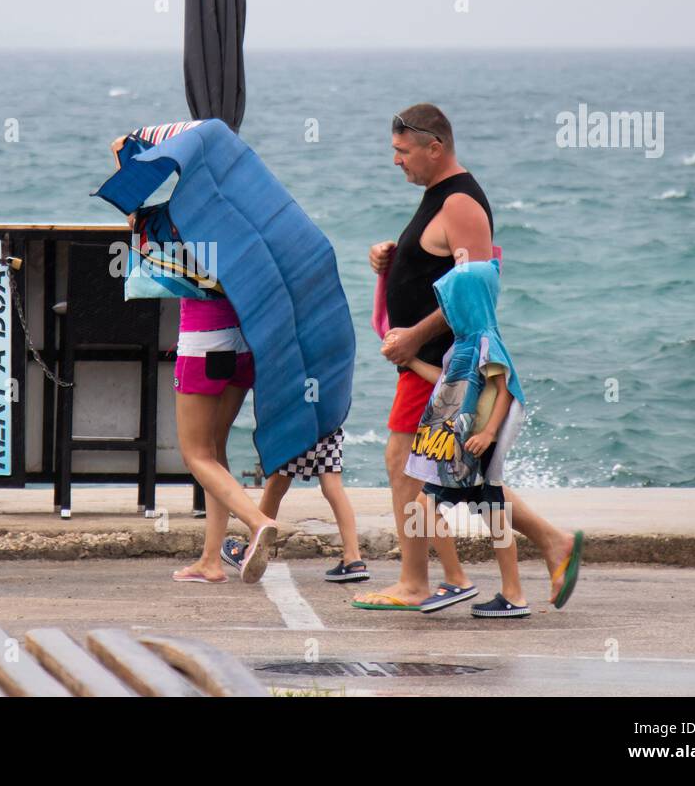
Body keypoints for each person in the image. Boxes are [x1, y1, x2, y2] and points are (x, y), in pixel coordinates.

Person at [356, 104, 581, 612]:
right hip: (426, 362)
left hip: (443, 366)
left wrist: (414, 336)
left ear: (435, 147)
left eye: (402, 150)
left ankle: (416, 582)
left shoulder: (461, 203)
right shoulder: (441, 199)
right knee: (453, 474)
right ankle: (549, 543)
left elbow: (478, 290)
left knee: (406, 467)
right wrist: (388, 262)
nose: (395, 161)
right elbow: (437, 268)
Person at [108, 126, 279, 586]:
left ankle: (258, 522)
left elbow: (132, 215)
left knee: (196, 455)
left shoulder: (180, 217)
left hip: (203, 345)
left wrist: (127, 158)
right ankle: (209, 560)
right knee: (217, 452)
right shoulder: (245, 214)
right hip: (243, 345)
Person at [217, 431, 369, 584]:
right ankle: (353, 559)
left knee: (275, 485)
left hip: (295, 424)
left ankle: (251, 551)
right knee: (333, 486)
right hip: (329, 419)